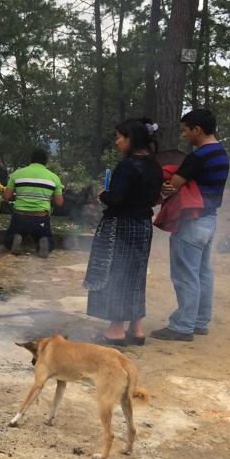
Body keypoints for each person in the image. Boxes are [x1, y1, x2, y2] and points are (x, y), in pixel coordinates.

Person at [152, 109, 230, 341]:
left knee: (185, 275)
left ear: (197, 129)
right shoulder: (221, 152)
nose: (184, 135)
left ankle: (182, 326)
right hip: (209, 219)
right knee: (202, 273)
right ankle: (199, 322)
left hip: (191, 222)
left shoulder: (198, 156)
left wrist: (165, 185)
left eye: (186, 130)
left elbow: (172, 186)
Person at [83, 119, 163, 345]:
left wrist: (103, 195)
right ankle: (136, 328)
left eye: (120, 137)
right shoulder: (153, 164)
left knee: (117, 272)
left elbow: (116, 199)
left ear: (132, 139)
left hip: (122, 226)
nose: (117, 142)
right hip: (143, 226)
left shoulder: (128, 166)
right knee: (136, 275)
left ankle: (115, 330)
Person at [3, 149, 64, 258]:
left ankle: (15, 239)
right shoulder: (54, 177)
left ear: (31, 160)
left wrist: (18, 196)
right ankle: (43, 242)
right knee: (45, 236)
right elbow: (59, 202)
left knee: (10, 237)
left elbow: (6, 197)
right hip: (40, 218)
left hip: (19, 217)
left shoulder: (17, 174)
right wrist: (47, 199)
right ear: (46, 161)